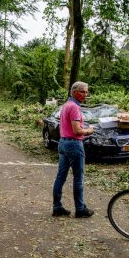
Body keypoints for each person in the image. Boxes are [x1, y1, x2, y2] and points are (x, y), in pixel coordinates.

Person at [52, 81, 95, 218]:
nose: (85, 94)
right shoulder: (75, 107)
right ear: (74, 91)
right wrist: (89, 130)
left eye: (86, 92)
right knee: (78, 178)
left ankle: (57, 207)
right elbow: (77, 131)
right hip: (74, 144)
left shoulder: (66, 105)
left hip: (63, 143)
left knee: (60, 177)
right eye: (82, 91)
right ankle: (80, 209)